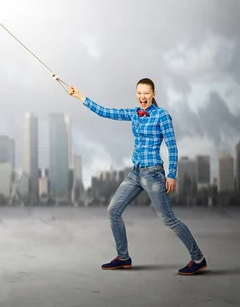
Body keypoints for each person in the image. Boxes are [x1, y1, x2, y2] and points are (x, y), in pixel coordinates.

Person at [67, 77, 207, 275]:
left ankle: (198, 258)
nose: (142, 97)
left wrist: (172, 174)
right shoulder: (134, 114)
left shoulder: (162, 116)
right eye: (139, 93)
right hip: (136, 173)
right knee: (113, 210)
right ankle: (123, 258)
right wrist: (80, 96)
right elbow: (106, 112)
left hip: (153, 174)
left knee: (168, 219)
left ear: (153, 94)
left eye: (146, 93)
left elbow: (172, 146)